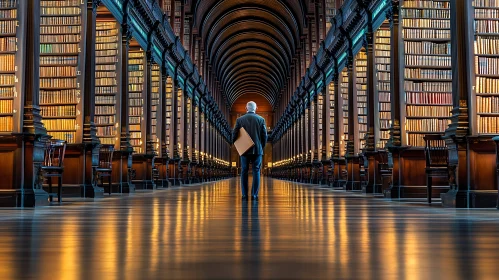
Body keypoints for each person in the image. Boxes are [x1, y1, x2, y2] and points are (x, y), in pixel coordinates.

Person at [232, 101, 267, 201]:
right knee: (256, 171)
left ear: (246, 108)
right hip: (257, 150)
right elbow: (264, 136)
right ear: (256, 108)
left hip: (244, 150)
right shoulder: (261, 119)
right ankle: (254, 195)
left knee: (244, 171)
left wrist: (238, 145)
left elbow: (234, 134)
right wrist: (261, 146)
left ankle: (244, 195)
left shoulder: (239, 120)